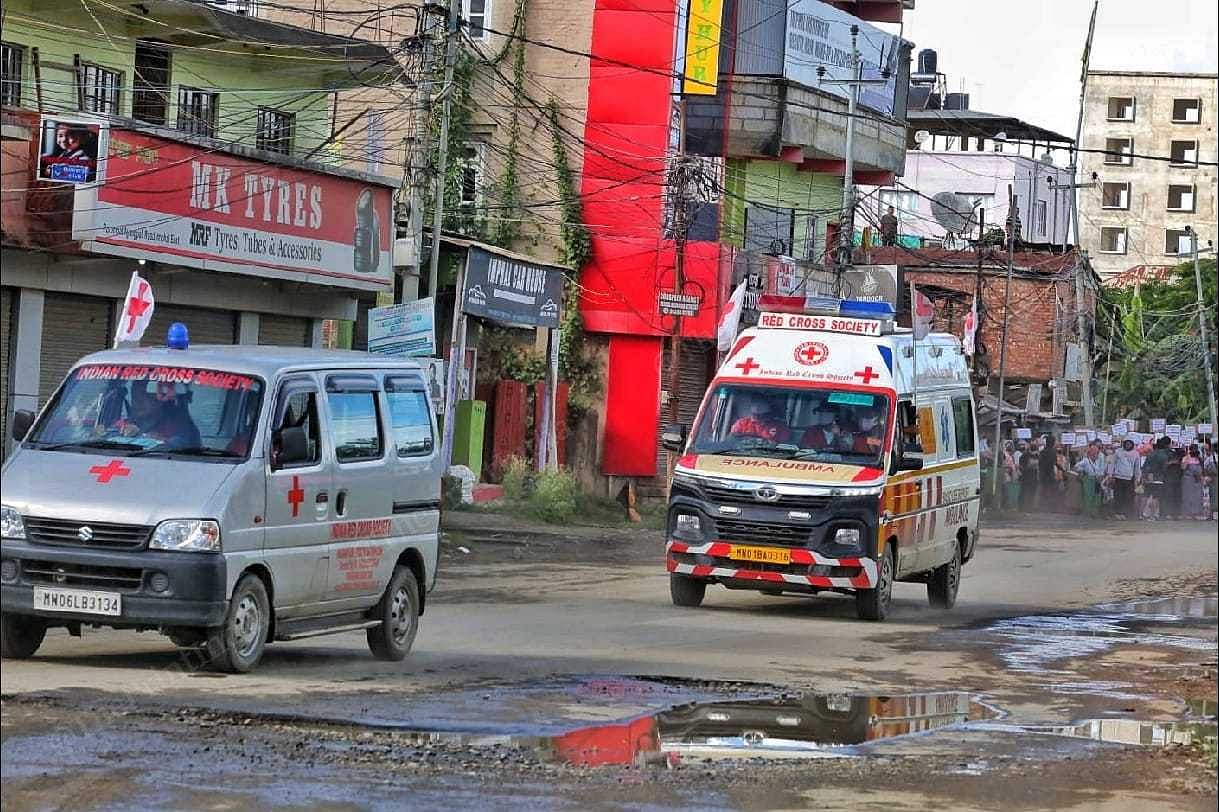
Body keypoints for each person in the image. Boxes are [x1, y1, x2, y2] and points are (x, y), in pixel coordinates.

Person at [114, 381, 201, 449]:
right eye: (134, 396)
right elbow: (104, 437)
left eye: (143, 397)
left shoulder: (178, 423)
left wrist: (150, 438)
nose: (138, 402)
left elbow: (183, 444)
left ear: (158, 399)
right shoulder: (125, 421)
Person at [1107, 439, 1140, 520]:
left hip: (1129, 479)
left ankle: (1126, 513)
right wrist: (1110, 475)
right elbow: (1112, 463)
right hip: (1118, 478)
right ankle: (1118, 513)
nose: (1128, 445)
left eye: (1129, 444)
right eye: (1126, 444)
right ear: (1124, 444)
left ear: (1132, 444)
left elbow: (1137, 467)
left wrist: (1137, 478)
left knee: (1128, 497)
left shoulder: (1136, 454)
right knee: (1118, 496)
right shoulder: (1118, 452)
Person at [1141, 437, 1172, 521]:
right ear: (1167, 445)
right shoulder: (1164, 456)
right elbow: (1164, 469)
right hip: (1158, 478)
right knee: (1156, 497)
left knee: (1146, 496)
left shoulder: (1151, 454)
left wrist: (1144, 476)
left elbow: (1144, 467)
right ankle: (1153, 515)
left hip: (1148, 478)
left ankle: (1141, 514)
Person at [1073, 441, 1107, 517]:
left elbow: (1101, 470)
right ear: (1090, 454)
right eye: (1094, 453)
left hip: (1097, 479)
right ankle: (1088, 512)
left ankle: (1094, 512)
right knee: (1088, 496)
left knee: (1097, 496)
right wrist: (1083, 471)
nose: (1096, 455)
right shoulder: (1085, 461)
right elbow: (1076, 466)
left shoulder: (1098, 461)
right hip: (1088, 480)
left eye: (1097, 453)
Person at [1181, 445, 1207, 520]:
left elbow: (1202, 470)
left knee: (1197, 497)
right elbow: (1183, 467)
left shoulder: (1199, 459)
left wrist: (1202, 478)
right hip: (1188, 480)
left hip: (1197, 481)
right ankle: (1187, 513)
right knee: (1187, 497)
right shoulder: (1185, 458)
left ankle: (1195, 513)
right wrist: (1187, 458)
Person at [1039, 436, 1060, 512]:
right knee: (1053, 491)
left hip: (1043, 475)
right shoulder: (1053, 452)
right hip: (1050, 474)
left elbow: (1040, 463)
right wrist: (1062, 469)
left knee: (1044, 491)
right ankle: (1051, 508)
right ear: (1052, 443)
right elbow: (1055, 463)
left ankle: (1043, 507)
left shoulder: (1042, 452)